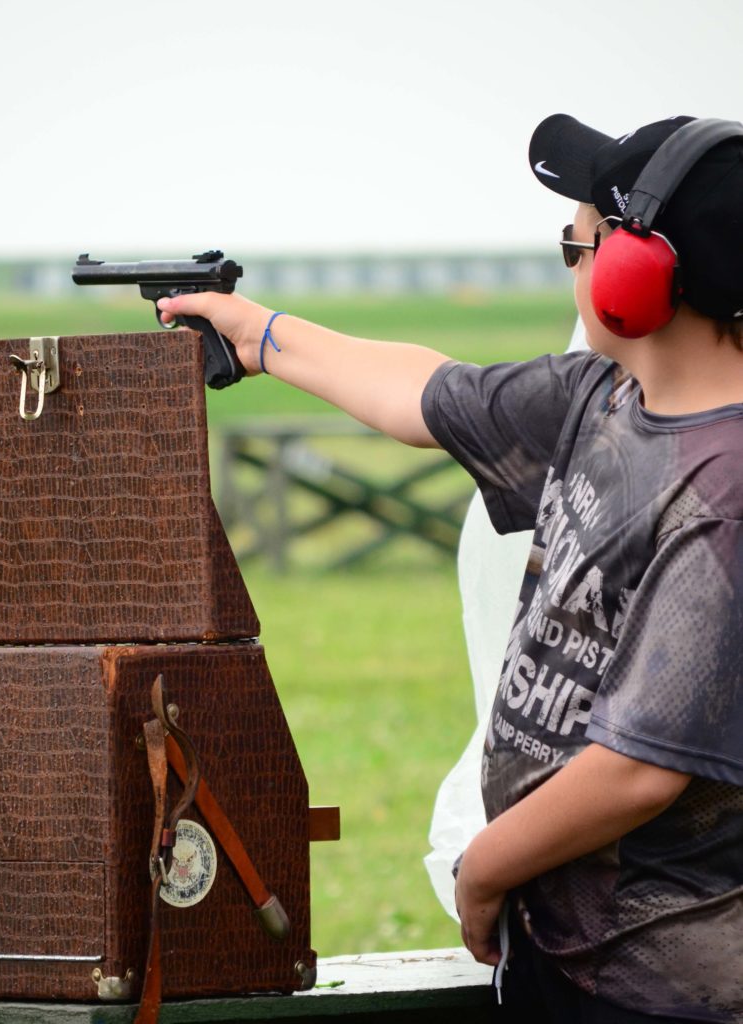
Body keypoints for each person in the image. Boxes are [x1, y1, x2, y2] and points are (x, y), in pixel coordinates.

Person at [156, 114, 743, 1023]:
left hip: (663, 994)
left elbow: (638, 767)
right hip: (570, 958)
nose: (573, 262)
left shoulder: (723, 495)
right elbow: (427, 392)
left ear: (640, 275)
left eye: (575, 242)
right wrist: (256, 336)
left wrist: (485, 869)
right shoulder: (604, 398)